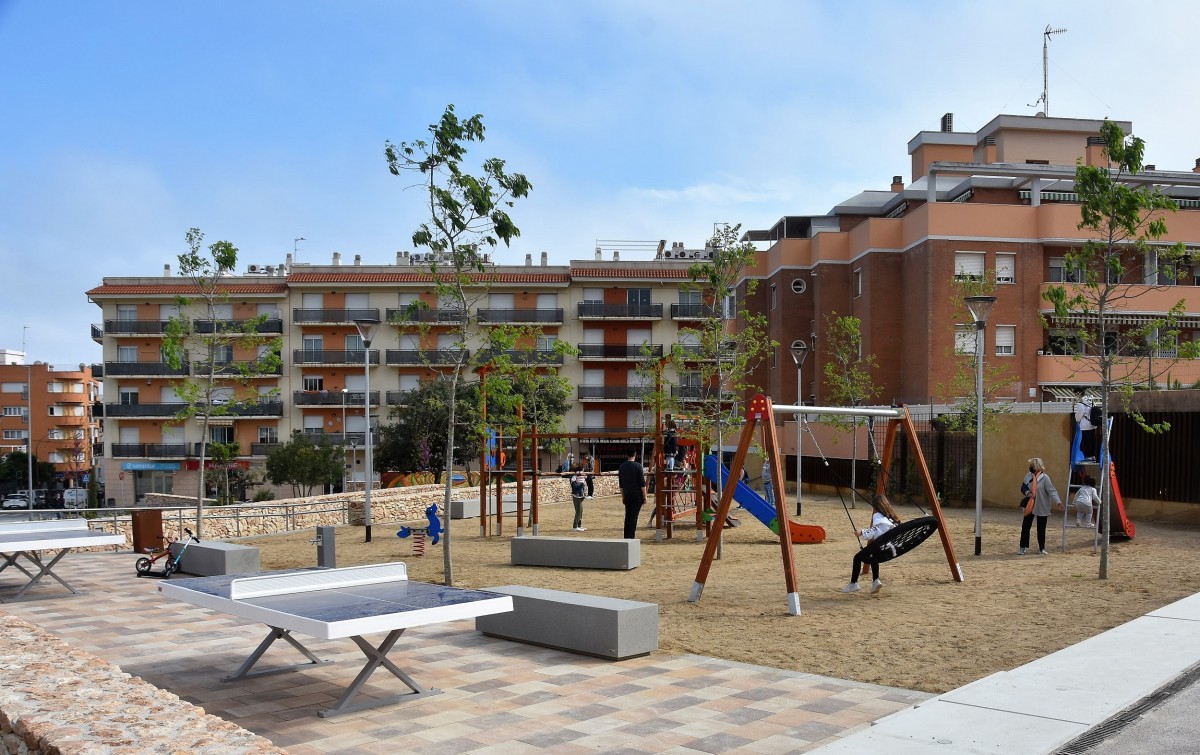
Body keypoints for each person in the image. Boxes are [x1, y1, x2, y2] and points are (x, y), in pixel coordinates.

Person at [841, 494, 902, 594]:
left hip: (881, 545)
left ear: (875, 507)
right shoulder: (891, 518)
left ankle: (853, 584)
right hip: (888, 548)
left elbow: (876, 531)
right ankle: (875, 581)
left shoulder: (878, 516)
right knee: (874, 556)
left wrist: (861, 532)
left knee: (857, 558)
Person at [1020, 457, 1062, 555]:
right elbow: (1023, 487)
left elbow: (1052, 491)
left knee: (1041, 528)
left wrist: (1058, 502)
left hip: (1042, 505)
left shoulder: (1045, 478)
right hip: (1030, 505)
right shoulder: (1028, 476)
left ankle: (1041, 548)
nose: (1031, 468)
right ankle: (1022, 547)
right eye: (1031, 466)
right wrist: (1027, 492)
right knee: (1026, 526)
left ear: (1038, 466)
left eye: (1033, 466)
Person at [617, 447, 647, 539]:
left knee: (628, 516)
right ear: (635, 455)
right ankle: (631, 536)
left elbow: (621, 484)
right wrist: (645, 496)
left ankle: (626, 536)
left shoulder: (622, 466)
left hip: (627, 494)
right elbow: (642, 483)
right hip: (637, 495)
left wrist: (623, 496)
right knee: (634, 516)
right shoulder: (638, 466)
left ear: (627, 455)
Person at [1073, 394, 1098, 462]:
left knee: (1087, 441)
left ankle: (1088, 456)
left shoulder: (1080, 403)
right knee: (1092, 441)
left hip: (1085, 425)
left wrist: (1077, 419)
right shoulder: (1091, 401)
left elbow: (1080, 413)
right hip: (1092, 424)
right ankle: (1092, 456)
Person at [569, 464, 587, 532]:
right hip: (576, 495)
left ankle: (579, 525)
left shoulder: (582, 477)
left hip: (581, 495)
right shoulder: (574, 477)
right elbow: (574, 486)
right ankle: (575, 526)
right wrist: (581, 485)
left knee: (581, 511)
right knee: (578, 511)